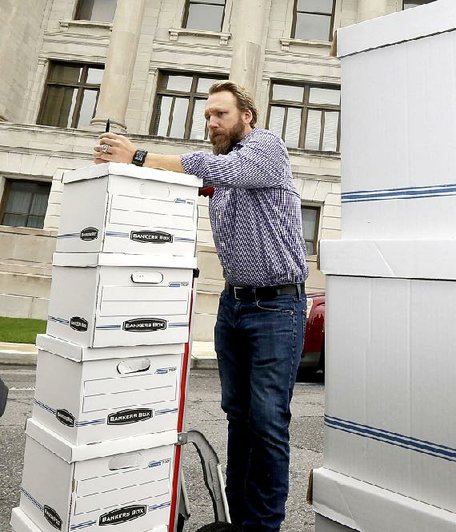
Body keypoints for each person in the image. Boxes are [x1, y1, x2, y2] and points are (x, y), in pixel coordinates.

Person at [94, 80, 308, 531]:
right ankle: (235, 520)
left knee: (268, 423)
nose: (211, 122)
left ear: (246, 116)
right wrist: (118, 169)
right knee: (238, 418)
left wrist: (135, 154)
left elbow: (209, 169)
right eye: (207, 115)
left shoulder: (265, 148)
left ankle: (263, 527)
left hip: (276, 309)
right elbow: (181, 181)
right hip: (233, 306)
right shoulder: (221, 173)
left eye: (221, 114)